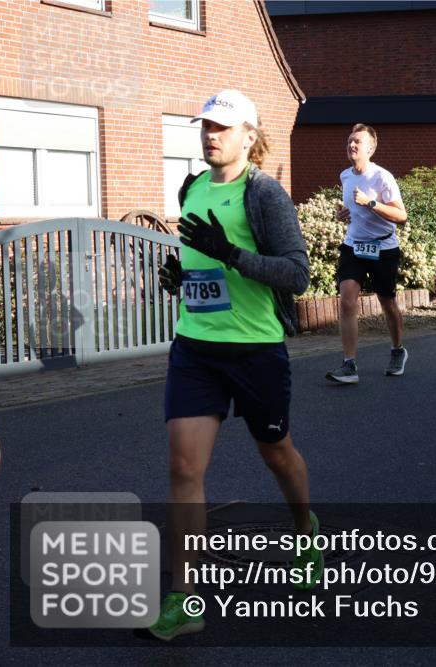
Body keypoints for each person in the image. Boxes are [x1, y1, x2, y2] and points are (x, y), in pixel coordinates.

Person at [151, 90, 319, 640]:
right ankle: (184, 598)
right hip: (196, 347)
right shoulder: (191, 187)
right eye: (205, 126)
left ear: (249, 135)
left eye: (222, 128)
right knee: (183, 469)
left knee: (276, 453)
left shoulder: (263, 193)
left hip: (254, 349)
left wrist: (232, 255)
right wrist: (183, 279)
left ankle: (304, 528)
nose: (210, 135)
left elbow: (297, 275)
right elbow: (201, 260)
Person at [326, 124, 409, 384]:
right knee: (347, 300)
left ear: (370, 148)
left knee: (387, 302)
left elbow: (401, 217)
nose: (351, 145)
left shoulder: (383, 177)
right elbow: (354, 210)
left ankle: (398, 350)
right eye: (349, 141)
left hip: (383, 247)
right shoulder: (345, 176)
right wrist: (345, 214)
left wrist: (371, 203)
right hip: (354, 245)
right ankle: (349, 364)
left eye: (357, 142)